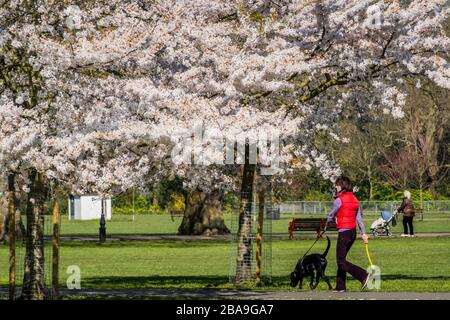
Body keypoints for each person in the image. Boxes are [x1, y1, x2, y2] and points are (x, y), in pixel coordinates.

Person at [324, 176, 370, 292]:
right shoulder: (355, 199)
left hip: (344, 232)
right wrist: (363, 233)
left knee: (340, 260)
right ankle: (340, 287)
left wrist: (326, 225)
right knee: (342, 259)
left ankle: (363, 275)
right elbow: (359, 218)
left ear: (341, 185)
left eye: (337, 185)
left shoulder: (339, 200)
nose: (335, 187)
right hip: (352, 233)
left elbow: (331, 215)